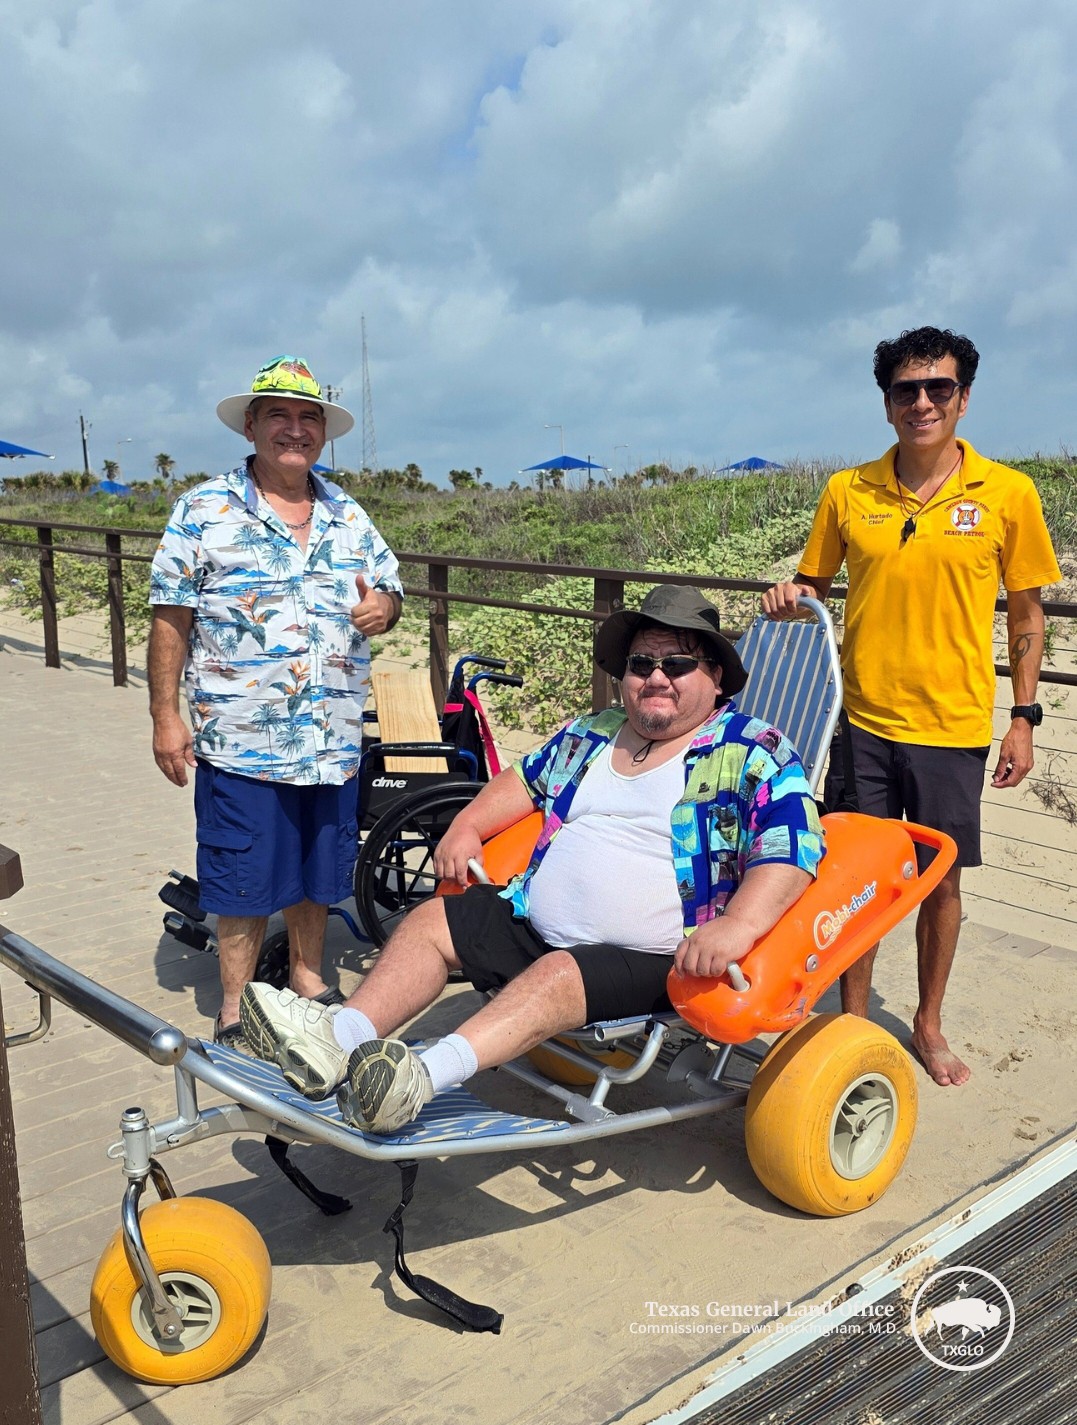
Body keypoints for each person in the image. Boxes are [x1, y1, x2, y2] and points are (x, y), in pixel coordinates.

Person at [238, 585, 825, 1133]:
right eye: (642, 663)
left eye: (676, 664)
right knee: (431, 923)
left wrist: (739, 924)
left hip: (656, 957)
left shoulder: (753, 748)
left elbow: (792, 843)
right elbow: (523, 782)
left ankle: (416, 1080)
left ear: (716, 677)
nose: (655, 678)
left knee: (556, 975)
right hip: (534, 921)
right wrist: (466, 825)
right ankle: (336, 1040)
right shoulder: (595, 732)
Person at [762, 326, 1061, 1087]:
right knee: (851, 879)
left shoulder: (1007, 493)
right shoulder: (846, 491)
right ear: (886, 403)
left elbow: (1025, 616)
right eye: (905, 390)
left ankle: (927, 1022)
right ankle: (852, 1021)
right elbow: (813, 592)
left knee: (941, 883)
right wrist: (788, 598)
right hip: (858, 722)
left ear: (962, 398)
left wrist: (1021, 719)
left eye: (937, 388)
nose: (921, 402)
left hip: (952, 724)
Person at [148, 354, 403, 1047]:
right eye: (280, 416)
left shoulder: (348, 512)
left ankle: (307, 979)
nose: (295, 429)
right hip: (241, 736)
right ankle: (235, 1007)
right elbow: (170, 616)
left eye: (308, 417)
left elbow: (390, 590)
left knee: (320, 871)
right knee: (240, 870)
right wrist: (165, 715)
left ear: (322, 430)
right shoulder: (202, 510)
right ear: (253, 425)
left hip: (332, 735)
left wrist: (386, 606)